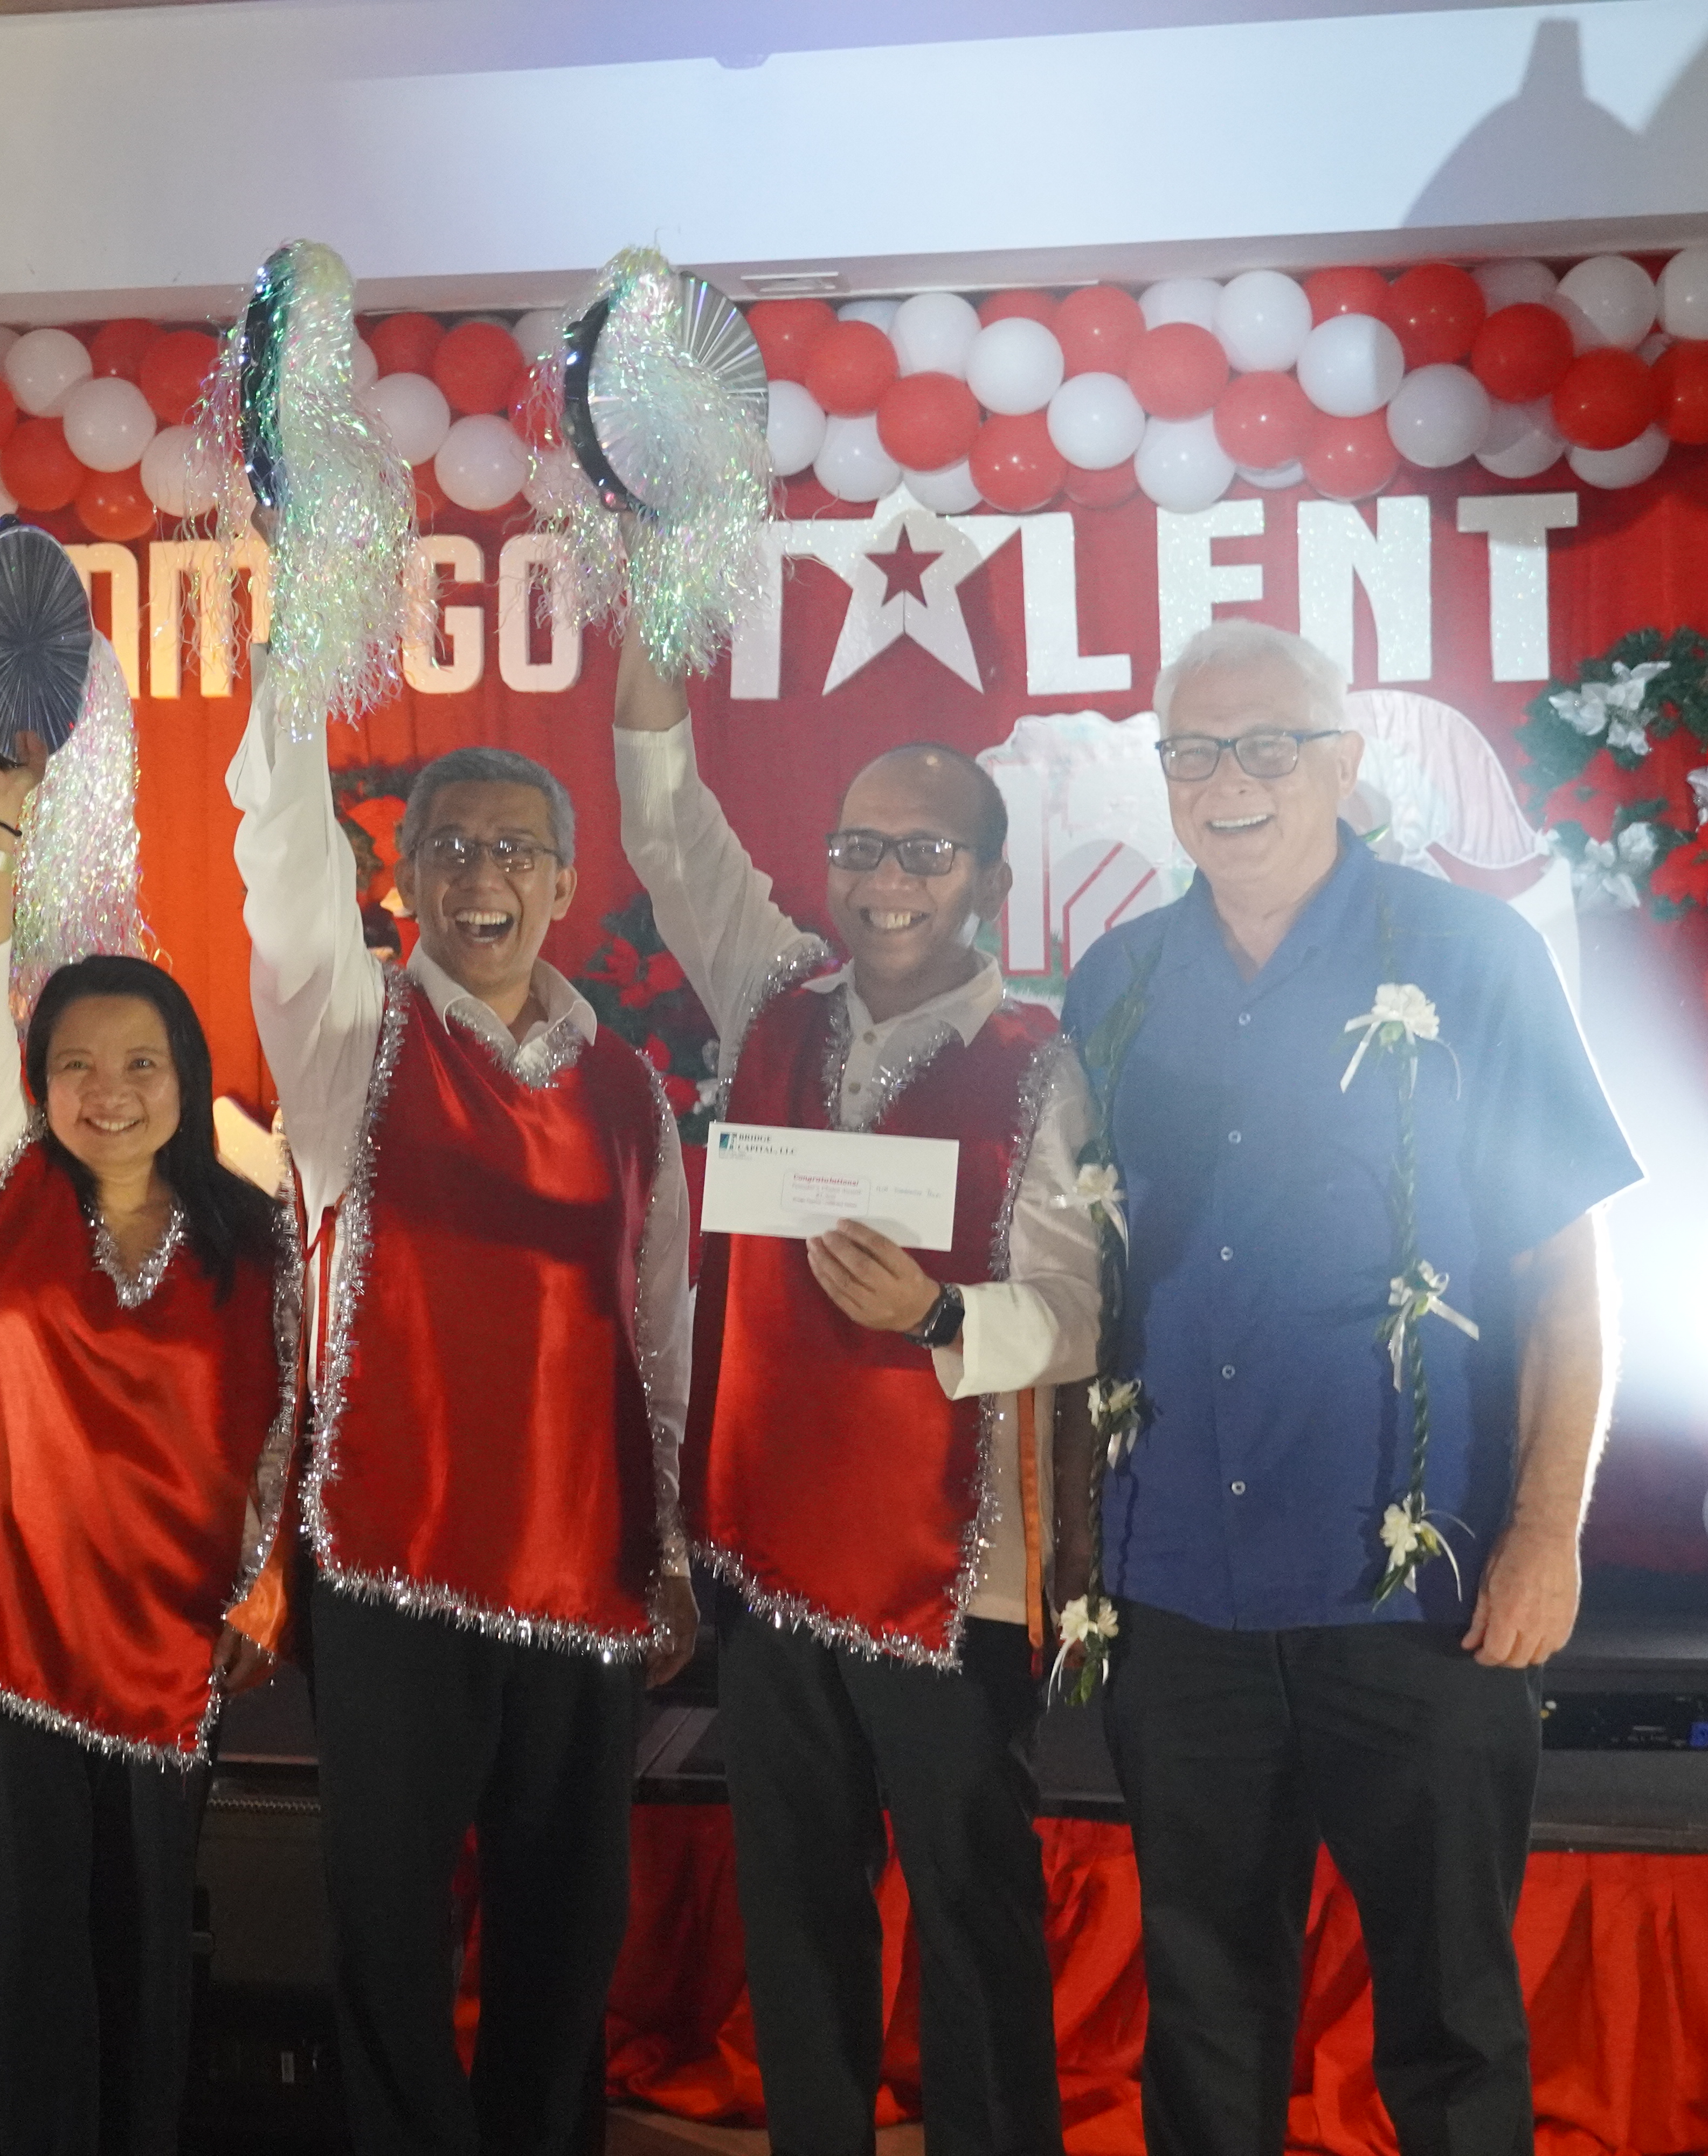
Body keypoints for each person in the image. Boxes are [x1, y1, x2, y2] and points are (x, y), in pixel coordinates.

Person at [1060, 618, 1633, 2156]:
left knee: (1448, 2013)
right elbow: (1074, 1278)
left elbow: (1562, 1276)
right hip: (1177, 1591)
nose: (1226, 781)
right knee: (1204, 2009)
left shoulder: (1470, 957)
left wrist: (1545, 1534)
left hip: (1424, 1597)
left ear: (1344, 761)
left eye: (1267, 746)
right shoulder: (1112, 982)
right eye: (1194, 751)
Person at [610, 632, 1097, 2156]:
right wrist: (651, 634)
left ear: (989, 883)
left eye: (928, 853)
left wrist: (944, 1309)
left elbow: (1078, 1316)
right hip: (769, 1557)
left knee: (971, 1918)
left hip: (952, 1585)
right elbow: (666, 824)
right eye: (863, 848)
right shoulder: (772, 998)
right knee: (799, 1924)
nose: (888, 880)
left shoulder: (1042, 1068)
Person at [229, 654, 699, 2156]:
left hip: (584, 1566)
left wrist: (672, 1552)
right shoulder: (348, 1042)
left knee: (567, 1938)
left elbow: (662, 1337)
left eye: (513, 848)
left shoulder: (631, 1088)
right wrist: (289, 661)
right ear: (408, 874)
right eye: (449, 845)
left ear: (562, 879)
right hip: (395, 1564)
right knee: (385, 1928)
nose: (480, 873)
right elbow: (288, 875)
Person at [0, 739, 297, 2156]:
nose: (111, 1090)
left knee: (149, 1946)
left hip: (169, 1646)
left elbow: (286, 1439)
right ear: (36, 1084)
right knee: (24, 1951)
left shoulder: (253, 1240)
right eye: (75, 1065)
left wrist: (262, 1593)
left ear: (188, 1078)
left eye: (142, 1062)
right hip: (5, 1642)